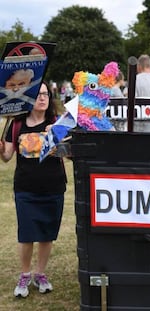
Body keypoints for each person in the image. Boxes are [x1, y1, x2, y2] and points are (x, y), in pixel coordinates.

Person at [0, 82, 67, 298]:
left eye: (46, 94)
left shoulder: (56, 123)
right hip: (26, 189)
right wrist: (1, 151)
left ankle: (40, 273)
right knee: (26, 235)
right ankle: (25, 274)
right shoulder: (17, 124)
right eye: (38, 94)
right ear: (28, 98)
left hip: (53, 187)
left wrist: (57, 136)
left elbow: (70, 153)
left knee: (47, 234)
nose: (43, 98)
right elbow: (7, 156)